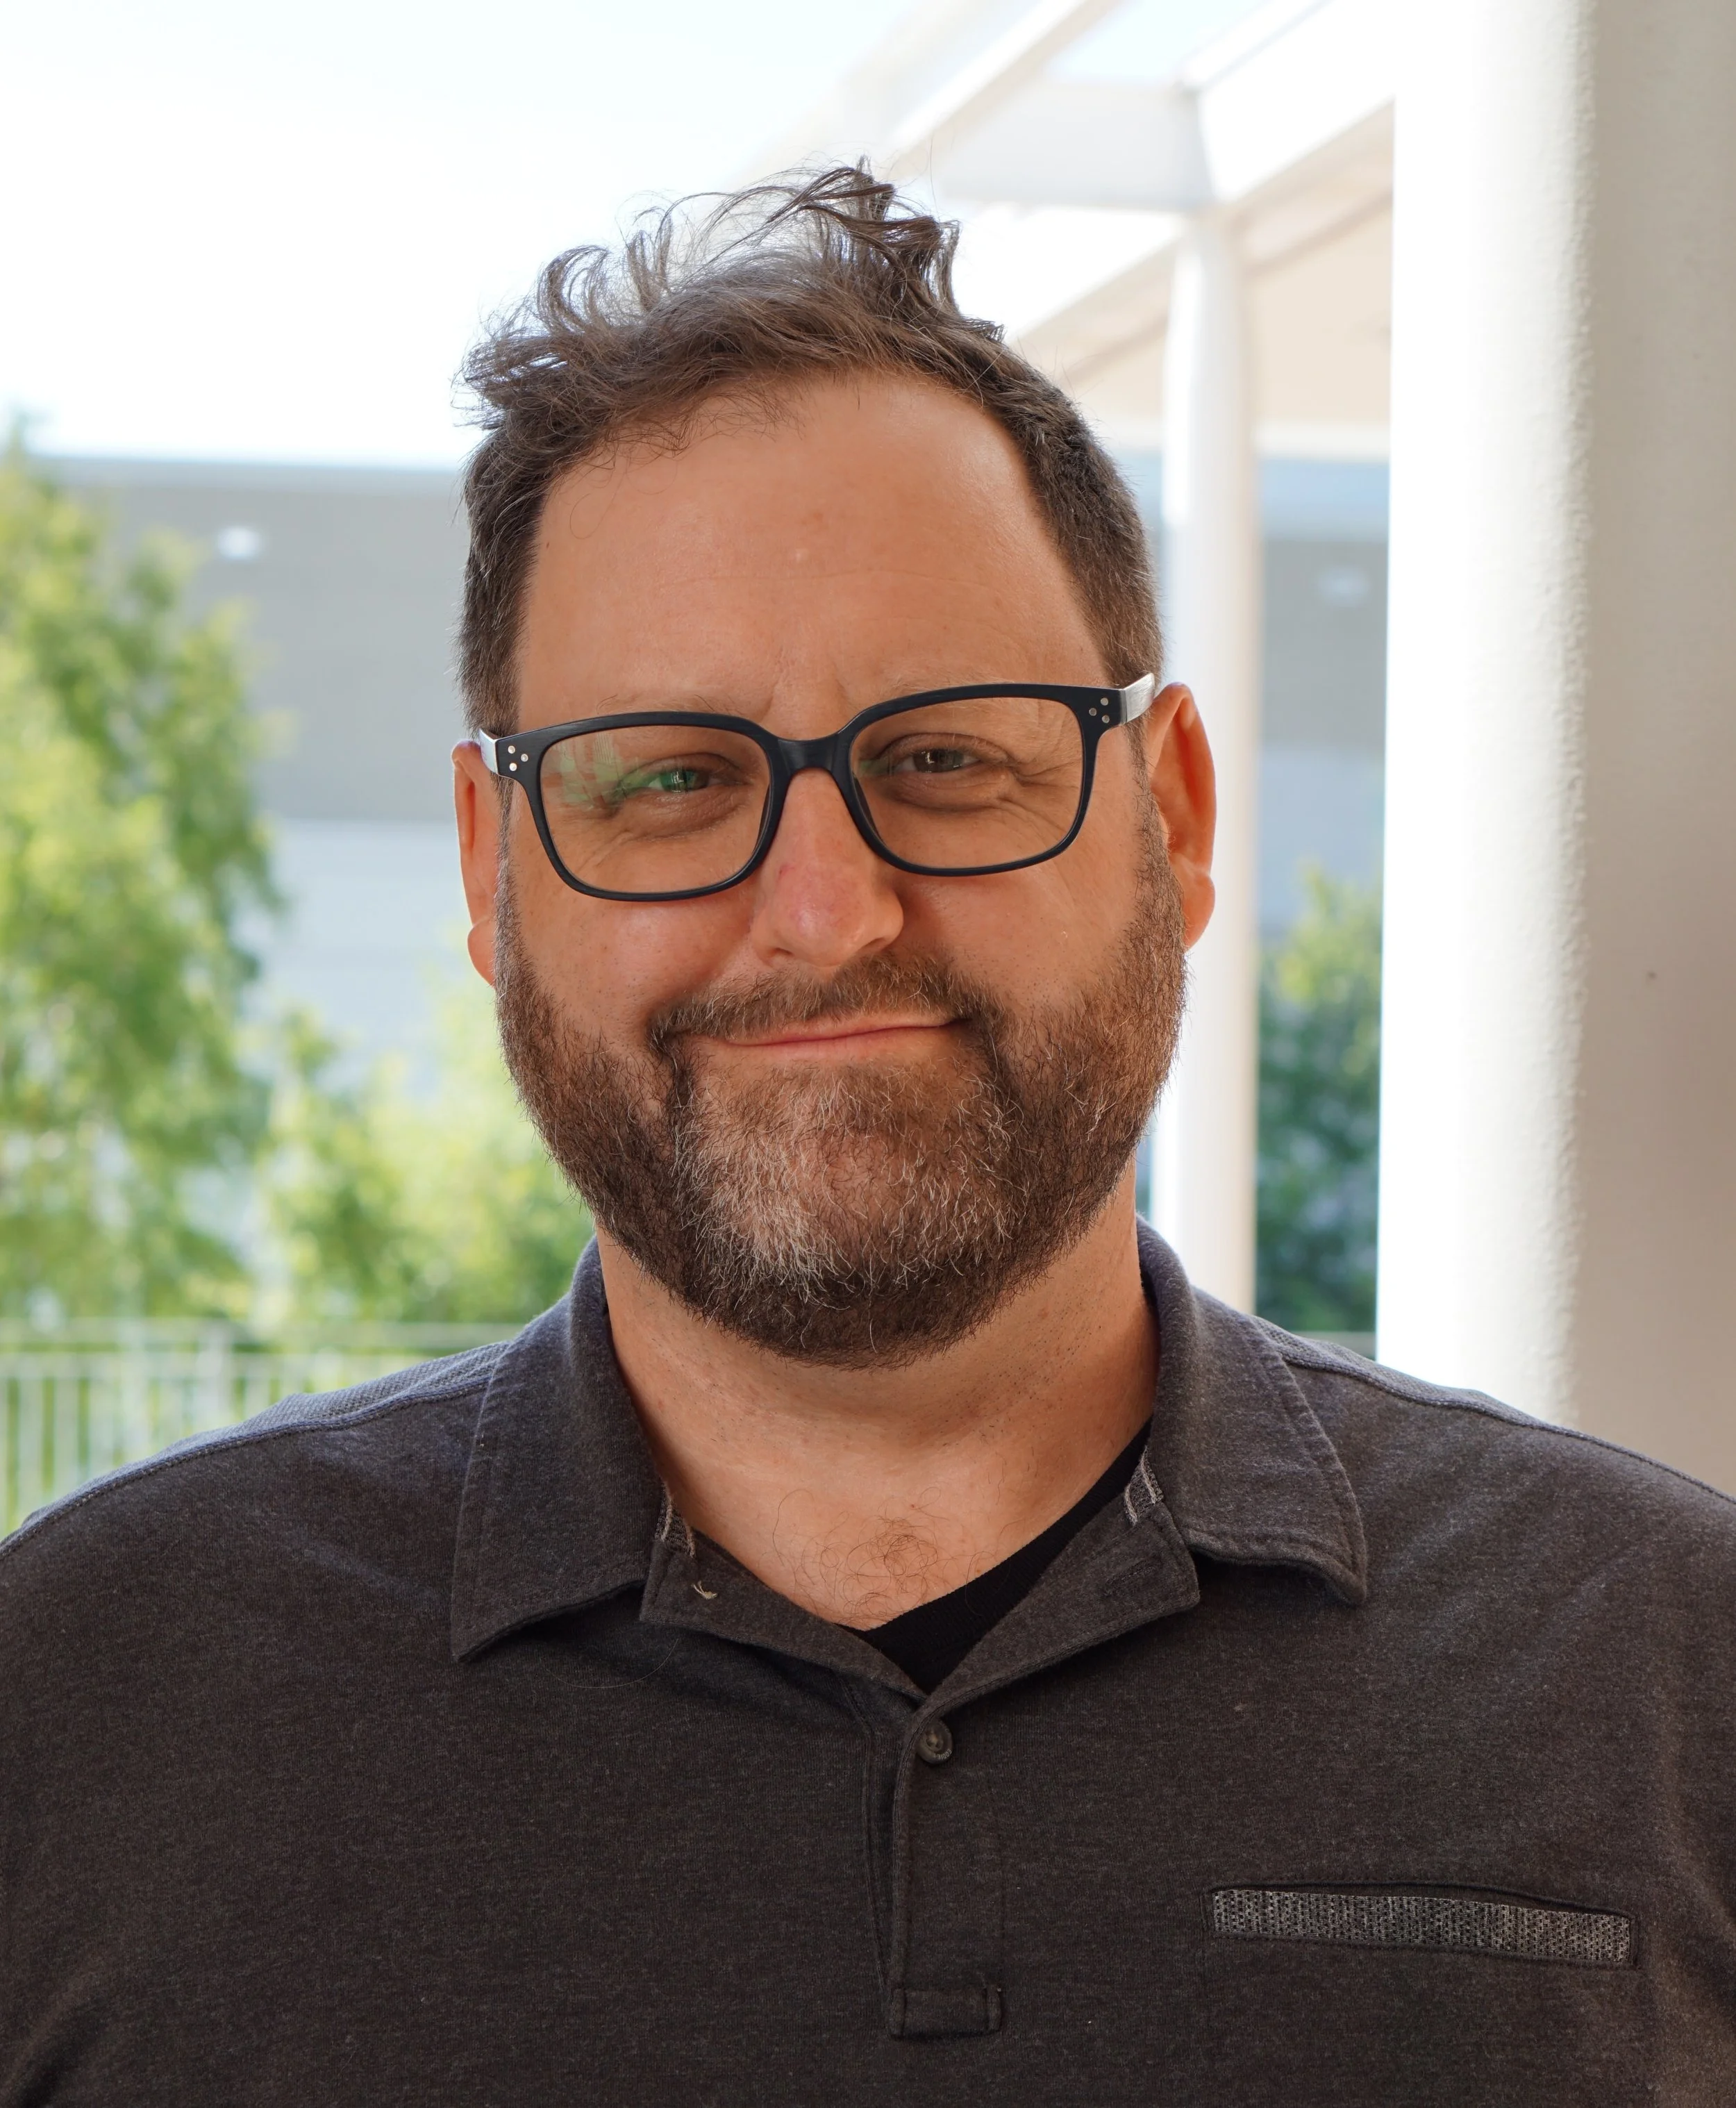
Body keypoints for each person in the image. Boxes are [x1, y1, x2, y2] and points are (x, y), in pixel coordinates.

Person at [2, 169, 1734, 2106]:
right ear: (496, 873)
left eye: (946, 758)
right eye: (665, 781)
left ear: (1167, 814)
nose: (826, 912)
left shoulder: (1668, 1674)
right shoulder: (79, 1698)